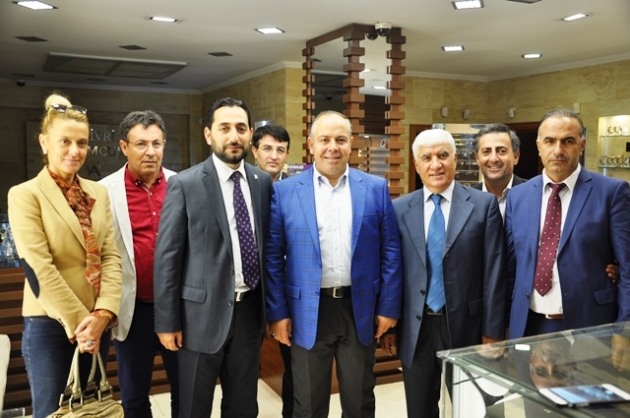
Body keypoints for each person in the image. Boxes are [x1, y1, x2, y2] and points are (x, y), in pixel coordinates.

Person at [266, 110, 402, 418]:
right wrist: (278, 313)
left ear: (351, 144)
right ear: (311, 144)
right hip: (306, 312)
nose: (333, 147)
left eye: (340, 140)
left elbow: (390, 252)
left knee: (360, 402)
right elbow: (273, 258)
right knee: (308, 404)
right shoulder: (285, 192)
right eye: (324, 140)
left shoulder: (375, 188)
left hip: (360, 309)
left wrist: (388, 307)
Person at [153, 97, 272, 418]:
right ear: (209, 134)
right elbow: (167, 260)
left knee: (243, 407)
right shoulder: (185, 184)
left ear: (250, 135)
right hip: (198, 319)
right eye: (224, 128)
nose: (234, 136)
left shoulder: (262, 183)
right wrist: (167, 322)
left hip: (249, 315)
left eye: (241, 128)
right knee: (193, 407)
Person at [7, 92, 121, 418]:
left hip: (97, 322)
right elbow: (38, 267)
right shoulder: (25, 195)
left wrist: (104, 313)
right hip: (50, 323)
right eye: (65, 142)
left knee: (90, 410)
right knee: (54, 411)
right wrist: (82, 324)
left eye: (82, 143)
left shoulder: (97, 192)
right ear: (44, 143)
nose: (75, 151)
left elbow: (111, 256)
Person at [383, 128, 507, 418]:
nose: (435, 164)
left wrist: (492, 332)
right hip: (417, 329)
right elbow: (392, 271)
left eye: (442, 156)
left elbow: (495, 273)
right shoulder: (399, 209)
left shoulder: (483, 206)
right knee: (420, 410)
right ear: (416, 164)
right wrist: (391, 327)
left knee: (475, 410)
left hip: (468, 328)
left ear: (455, 159)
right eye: (426, 158)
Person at [505, 109, 630, 342]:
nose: (558, 150)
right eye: (550, 141)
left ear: (582, 146)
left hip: (589, 326)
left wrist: (624, 331)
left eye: (568, 141)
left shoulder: (611, 193)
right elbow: (510, 267)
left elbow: (627, 267)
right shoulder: (518, 196)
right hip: (528, 325)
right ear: (539, 146)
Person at [99, 110, 179, 418]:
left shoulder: (182, 185)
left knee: (186, 393)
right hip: (132, 312)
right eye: (141, 144)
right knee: (133, 398)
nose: (150, 152)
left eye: (156, 143)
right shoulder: (104, 191)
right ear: (124, 147)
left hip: (178, 310)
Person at [251, 124, 293, 418]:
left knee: (295, 367)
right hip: (250, 292)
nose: (274, 155)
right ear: (254, 151)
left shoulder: (296, 191)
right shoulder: (243, 188)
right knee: (245, 366)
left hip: (286, 291)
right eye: (267, 148)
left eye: (280, 150)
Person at [472, 123, 526, 218]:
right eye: (486, 151)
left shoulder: (533, 195)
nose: (493, 159)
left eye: (502, 151)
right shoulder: (466, 200)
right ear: (477, 159)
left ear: (515, 157)